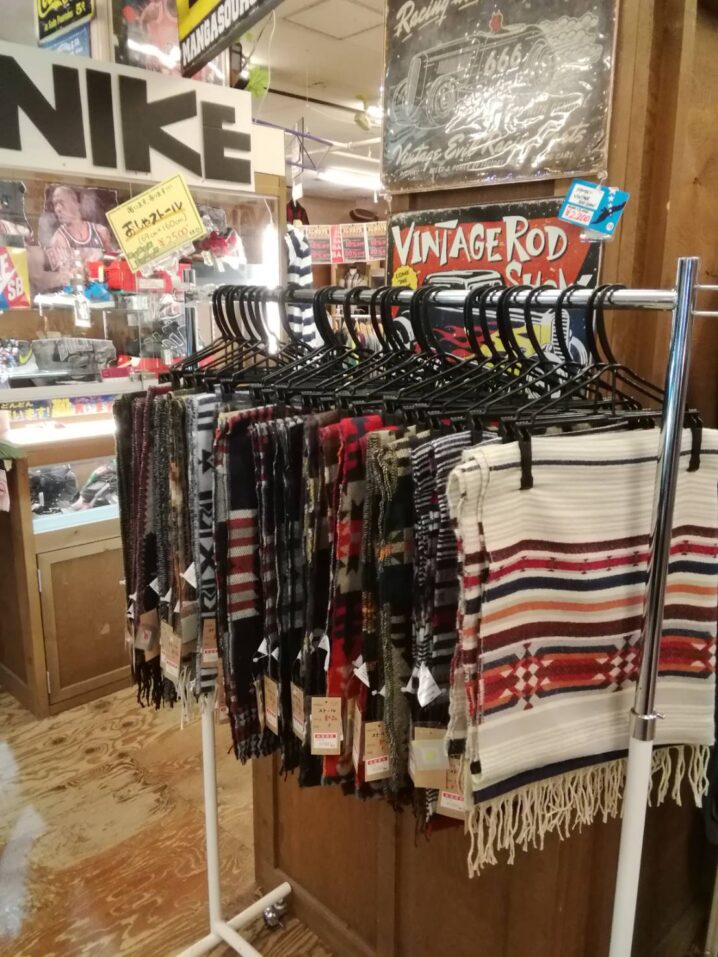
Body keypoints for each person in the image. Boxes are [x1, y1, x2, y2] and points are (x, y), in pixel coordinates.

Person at [46, 186, 116, 279]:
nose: (57, 209)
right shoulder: (57, 240)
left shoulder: (100, 232)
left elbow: (114, 264)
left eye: (61, 202)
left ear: (76, 203)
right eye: (55, 204)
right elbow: (63, 278)